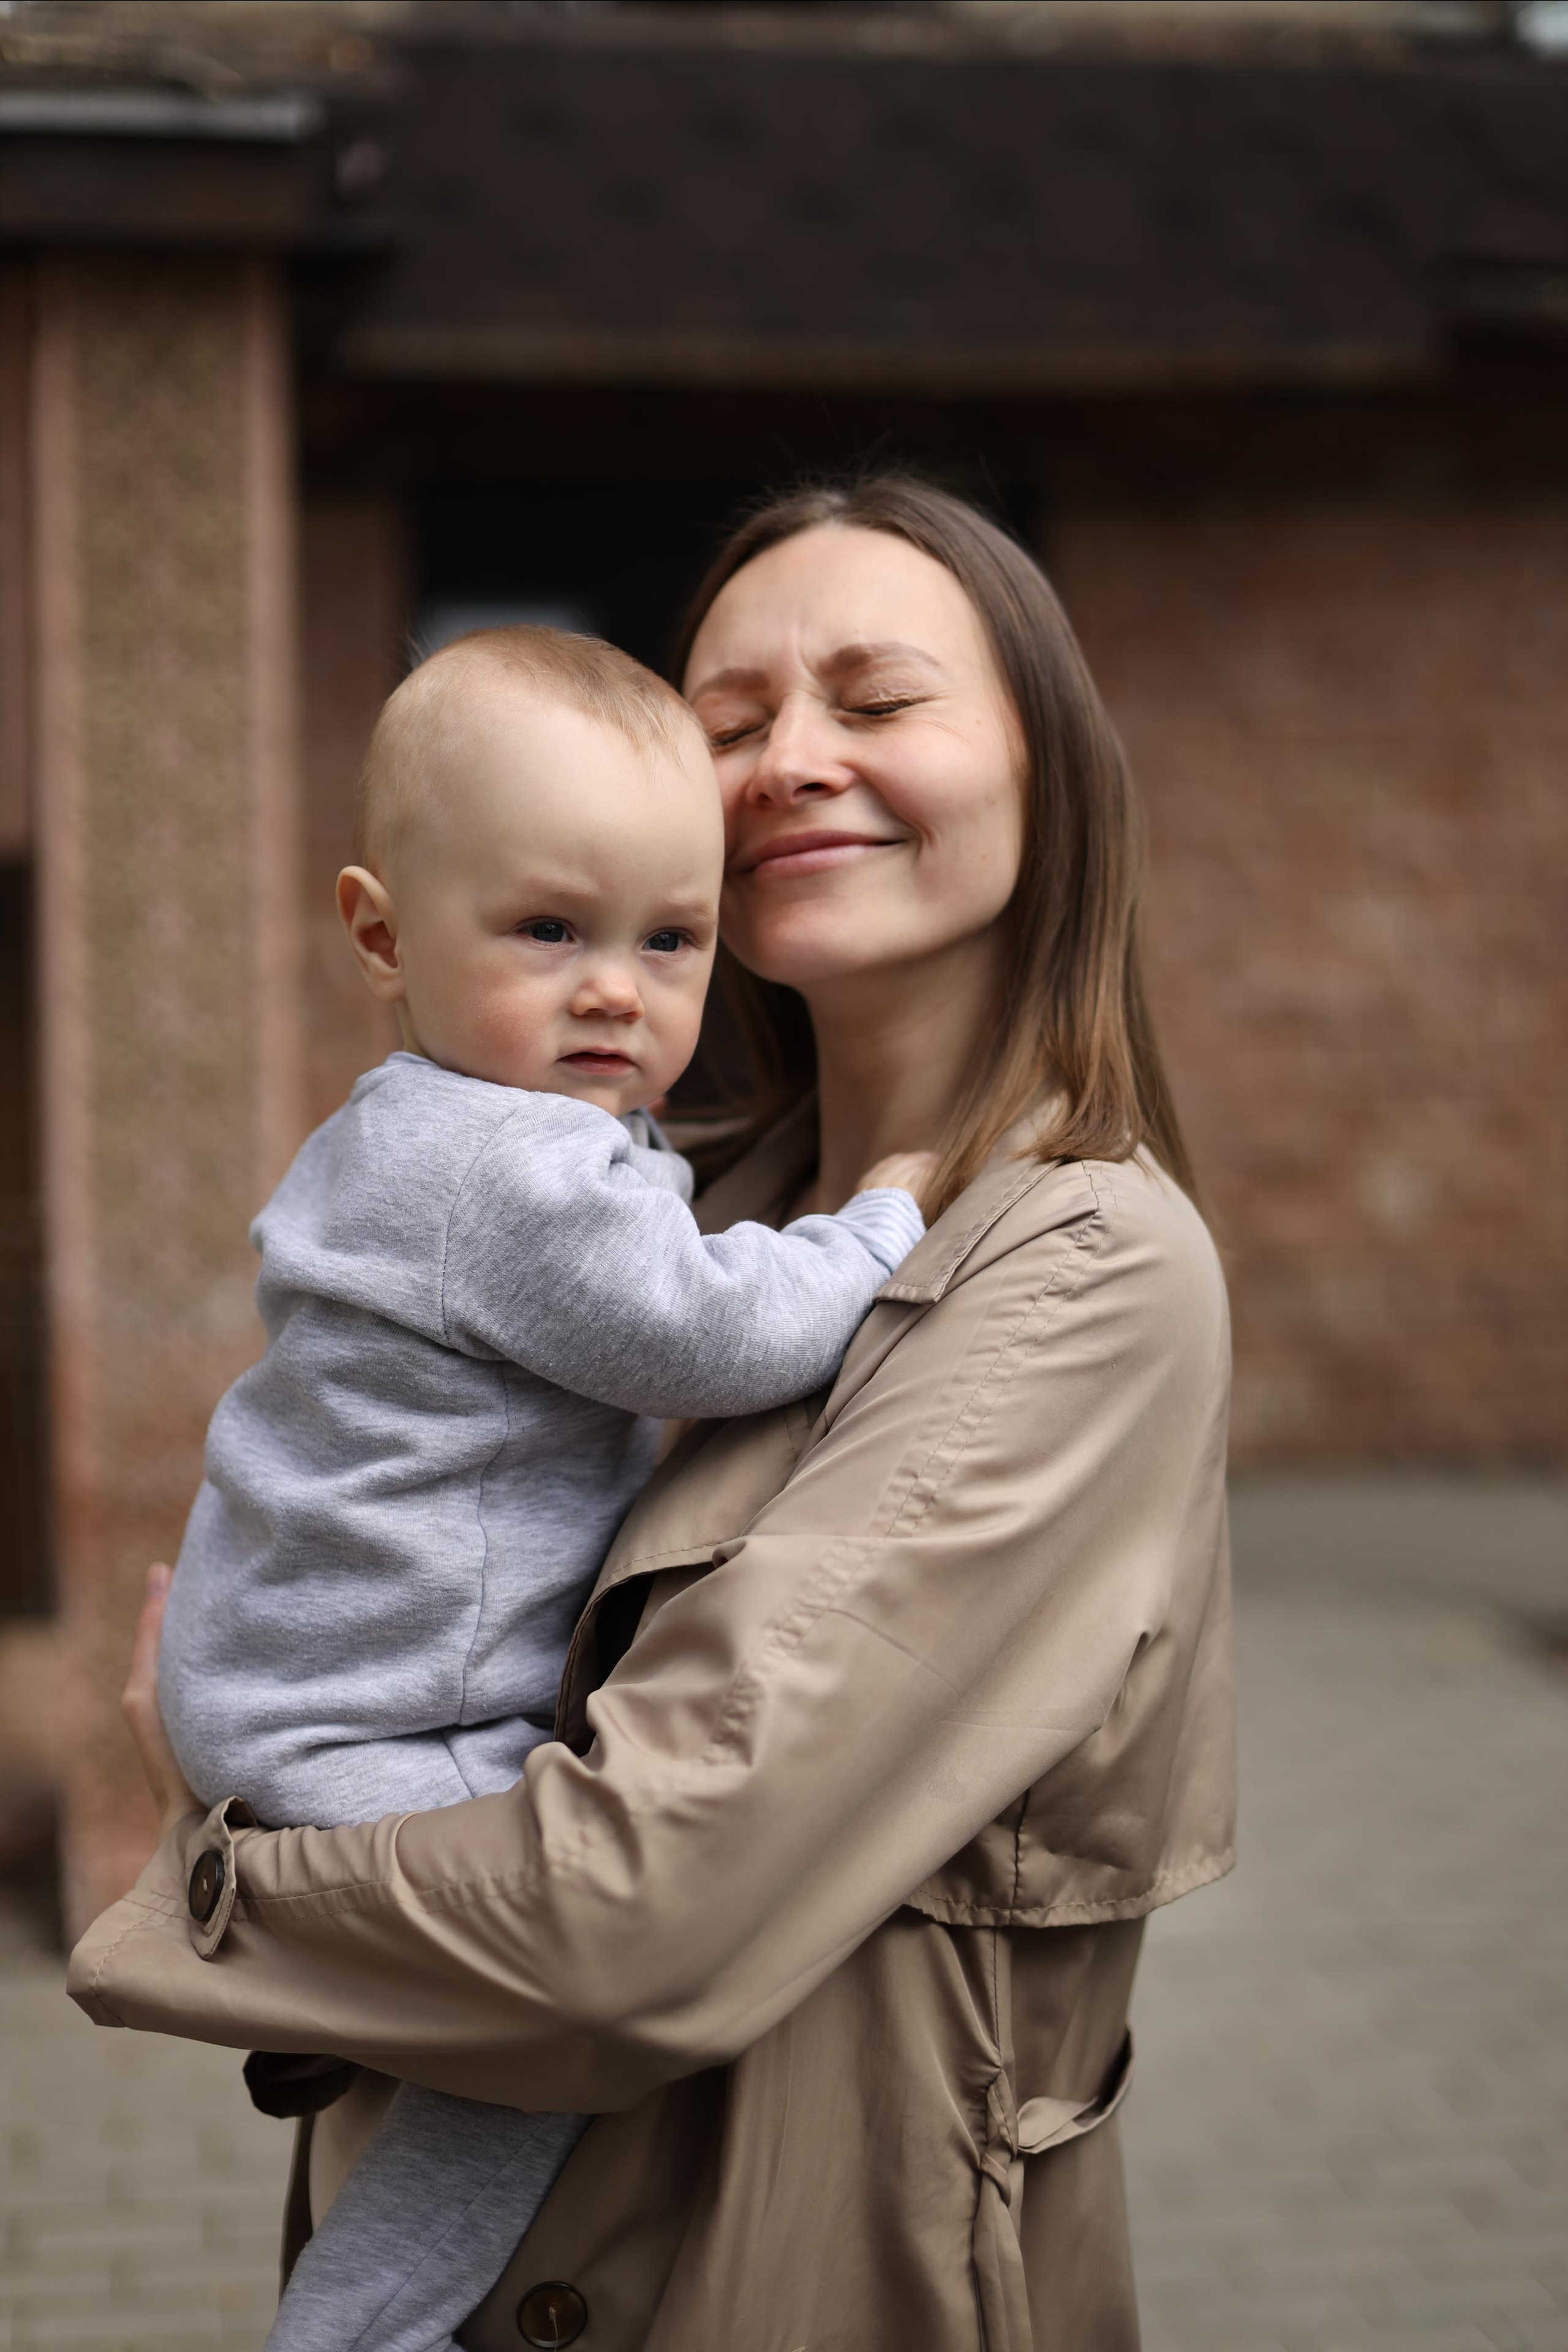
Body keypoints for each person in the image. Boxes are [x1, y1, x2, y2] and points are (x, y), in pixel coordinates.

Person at [71, 473, 1236, 2352]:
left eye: (876, 701)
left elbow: (616, 1923)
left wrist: (216, 1863)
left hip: (790, 2290)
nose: (788, 758)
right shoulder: (671, 1204)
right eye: (731, 718)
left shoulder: (1076, 1266)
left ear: (1051, 776)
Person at [156, 622, 930, 2352]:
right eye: (549, 931)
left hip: (293, 1677)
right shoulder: (509, 1167)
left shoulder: (407, 1122)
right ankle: (360, 2329)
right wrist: (877, 1226)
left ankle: (350, 2007)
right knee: (556, 2028)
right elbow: (714, 1337)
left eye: (672, 941)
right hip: (375, 1726)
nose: (617, 990)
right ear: (381, 934)